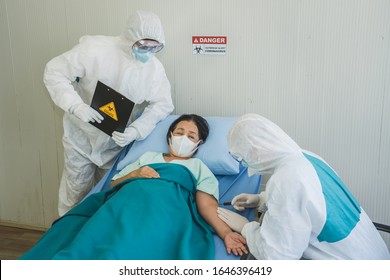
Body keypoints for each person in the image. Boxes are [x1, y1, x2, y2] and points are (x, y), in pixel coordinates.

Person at [20, 114, 247, 260]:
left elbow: (206, 204)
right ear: (169, 136)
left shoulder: (198, 166)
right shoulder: (148, 156)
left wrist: (226, 233)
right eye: (179, 132)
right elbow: (113, 183)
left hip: (165, 210)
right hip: (126, 202)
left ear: (199, 144)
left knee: (129, 247)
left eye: (191, 135)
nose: (183, 137)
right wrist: (137, 173)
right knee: (92, 240)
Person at [43, 10, 174, 216]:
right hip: (81, 139)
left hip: (116, 143)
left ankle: (98, 241)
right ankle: (65, 240)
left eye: (154, 47)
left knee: (111, 195)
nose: (148, 51)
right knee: (75, 194)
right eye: (143, 45)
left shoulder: (153, 69)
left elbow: (163, 105)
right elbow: (54, 72)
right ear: (131, 37)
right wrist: (76, 106)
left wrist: (136, 130)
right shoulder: (94, 50)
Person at [217, 113, 390, 260]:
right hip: (374, 252)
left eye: (242, 157)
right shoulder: (306, 157)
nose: (245, 164)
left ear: (255, 150)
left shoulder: (286, 180)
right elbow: (311, 201)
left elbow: (277, 256)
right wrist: (261, 199)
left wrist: (246, 228)